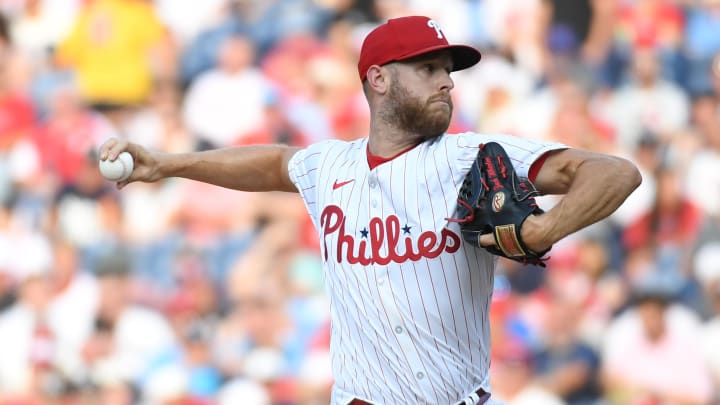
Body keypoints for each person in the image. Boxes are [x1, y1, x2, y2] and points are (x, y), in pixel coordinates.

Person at [99, 15, 641, 405]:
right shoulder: (329, 168)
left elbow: (616, 172)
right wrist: (167, 164)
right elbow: (272, 165)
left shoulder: (470, 156)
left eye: (448, 71)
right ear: (378, 78)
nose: (447, 81)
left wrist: (546, 225)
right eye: (428, 68)